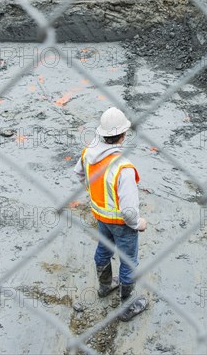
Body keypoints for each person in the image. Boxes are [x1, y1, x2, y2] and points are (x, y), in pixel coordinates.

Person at [74, 107, 147, 308]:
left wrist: (95, 194)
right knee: (128, 260)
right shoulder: (123, 168)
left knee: (104, 249)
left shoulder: (88, 153)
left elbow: (79, 174)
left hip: (101, 217)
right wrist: (139, 224)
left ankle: (105, 286)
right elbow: (128, 211)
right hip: (123, 224)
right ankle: (127, 303)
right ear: (123, 136)